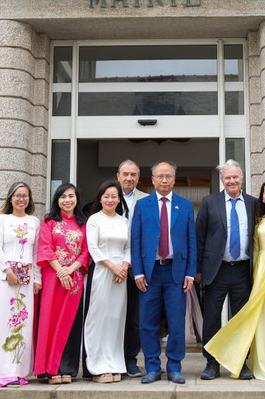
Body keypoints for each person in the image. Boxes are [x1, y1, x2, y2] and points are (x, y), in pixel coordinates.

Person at [204, 179, 265, 381]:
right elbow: (255, 248)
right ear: (262, 197)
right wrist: (254, 276)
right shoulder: (260, 220)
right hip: (255, 272)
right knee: (255, 318)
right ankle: (216, 360)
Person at [131, 160, 196, 385]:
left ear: (174, 180)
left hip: (175, 272)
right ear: (153, 180)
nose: (164, 180)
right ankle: (152, 367)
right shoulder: (143, 205)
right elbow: (136, 240)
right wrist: (138, 272)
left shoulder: (185, 205)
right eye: (160, 176)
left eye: (168, 176)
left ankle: (175, 367)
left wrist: (190, 273)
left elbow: (191, 241)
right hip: (149, 274)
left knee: (176, 323)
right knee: (147, 322)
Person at [195, 159, 256, 381]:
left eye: (235, 177)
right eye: (227, 177)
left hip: (243, 270)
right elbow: (199, 237)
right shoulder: (210, 202)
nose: (232, 181)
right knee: (212, 318)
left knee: (241, 319)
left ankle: (240, 362)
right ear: (222, 180)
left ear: (242, 178)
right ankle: (211, 363)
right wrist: (198, 269)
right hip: (216, 270)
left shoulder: (253, 203)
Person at [0, 182, 41, 388]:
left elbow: (35, 253)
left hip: (26, 280)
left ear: (29, 199)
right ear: (10, 198)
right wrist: (7, 270)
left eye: (25, 196)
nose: (21, 199)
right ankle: (1, 372)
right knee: (4, 324)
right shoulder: (3, 219)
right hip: (7, 279)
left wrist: (37, 278)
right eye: (17, 195)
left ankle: (18, 371)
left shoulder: (34, 221)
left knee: (23, 324)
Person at [34, 183, 90, 384]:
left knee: (71, 322)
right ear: (57, 200)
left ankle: (67, 368)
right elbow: (45, 248)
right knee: (50, 320)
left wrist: (70, 269)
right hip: (53, 278)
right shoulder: (49, 221)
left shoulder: (83, 223)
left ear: (77, 199)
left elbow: (86, 252)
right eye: (63, 196)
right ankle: (50, 369)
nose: (67, 200)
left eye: (71, 196)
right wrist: (60, 270)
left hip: (74, 280)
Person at [83, 181, 131, 383]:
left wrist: (124, 268)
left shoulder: (124, 221)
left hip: (121, 276)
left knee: (115, 319)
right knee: (98, 317)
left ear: (119, 199)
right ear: (100, 198)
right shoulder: (94, 220)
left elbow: (128, 247)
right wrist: (113, 267)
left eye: (114, 196)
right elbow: (93, 248)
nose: (110, 200)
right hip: (102, 272)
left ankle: (114, 363)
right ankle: (97, 366)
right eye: (106, 196)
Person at [116, 159, 148, 377]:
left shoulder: (146, 200)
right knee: (112, 314)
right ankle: (111, 358)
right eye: (125, 174)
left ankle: (130, 359)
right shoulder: (108, 196)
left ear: (138, 177)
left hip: (137, 266)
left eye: (133, 174)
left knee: (135, 316)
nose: (129, 178)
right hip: (112, 266)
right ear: (118, 176)